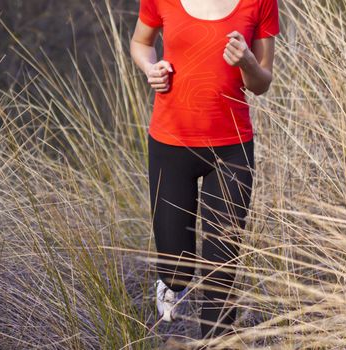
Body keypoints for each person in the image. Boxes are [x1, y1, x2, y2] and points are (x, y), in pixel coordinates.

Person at [130, 0, 280, 342]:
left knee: (222, 271)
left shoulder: (260, 2)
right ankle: (171, 284)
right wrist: (150, 67)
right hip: (170, 145)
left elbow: (262, 83)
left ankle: (215, 342)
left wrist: (247, 63)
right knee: (177, 266)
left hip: (232, 150)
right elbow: (140, 42)